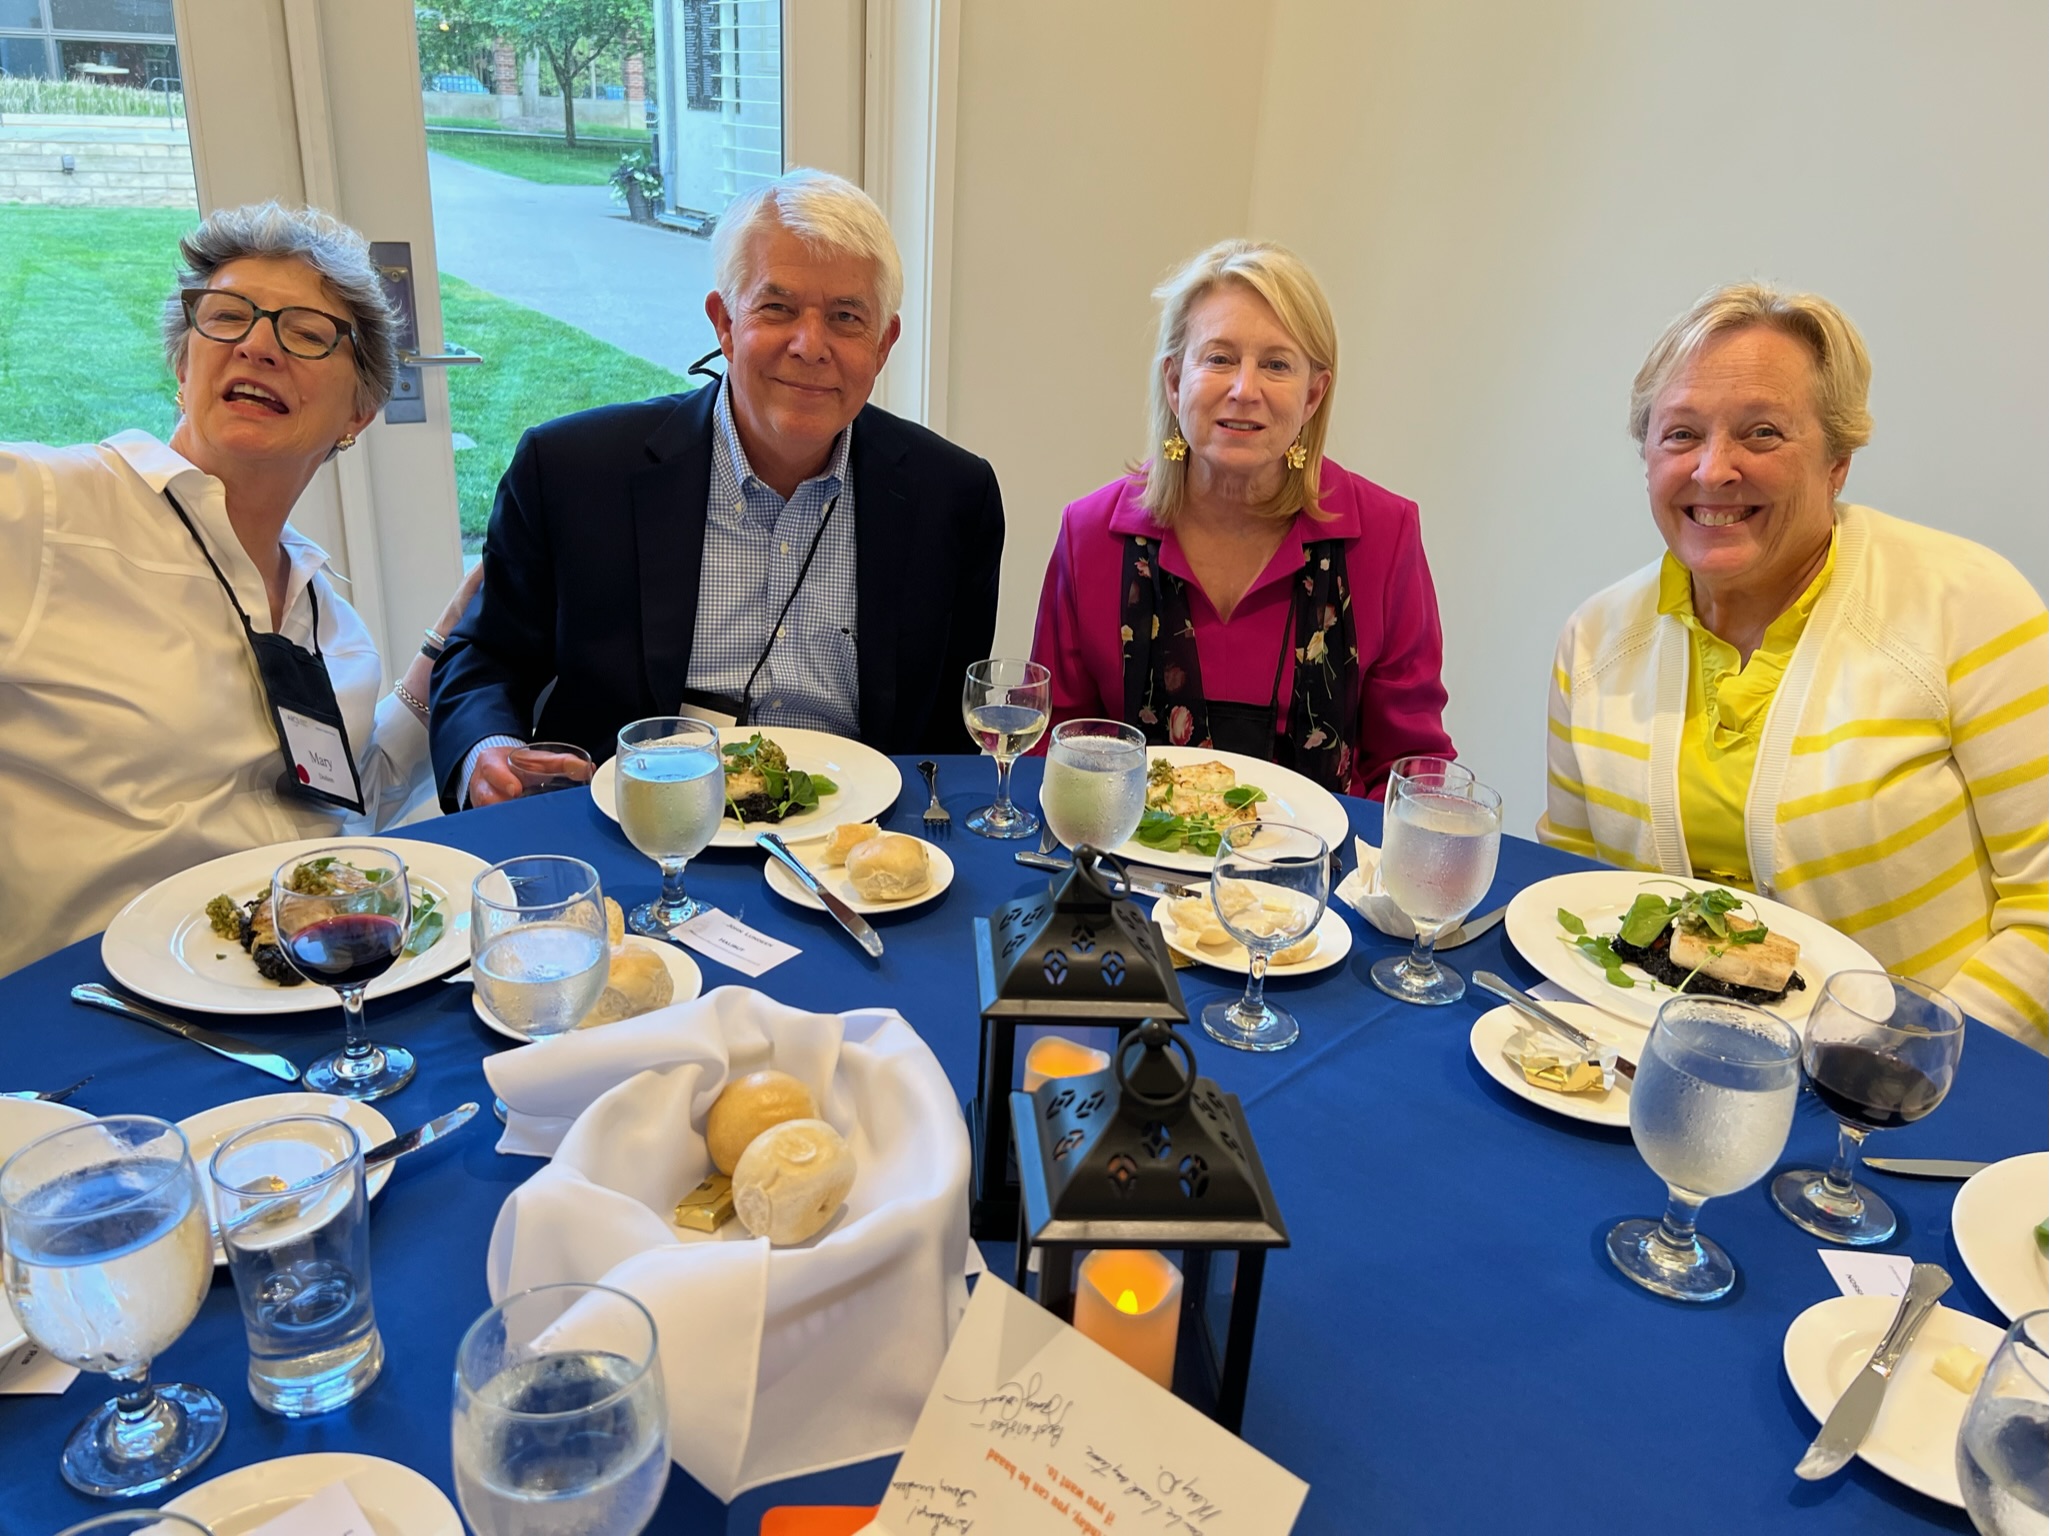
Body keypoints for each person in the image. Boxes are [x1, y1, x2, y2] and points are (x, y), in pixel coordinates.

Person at [1539, 282, 2046, 1048]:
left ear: (1837, 460)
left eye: (1762, 433)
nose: (1713, 470)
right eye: (1680, 434)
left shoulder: (1968, 606)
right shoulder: (1593, 640)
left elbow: (2040, 910)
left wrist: (1900, 1062)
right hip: (1647, 1068)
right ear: (1645, 455)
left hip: (1901, 1090)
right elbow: (1573, 888)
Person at [0, 201, 479, 977]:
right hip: (87, 1005)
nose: (257, 345)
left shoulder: (328, 621)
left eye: (307, 332)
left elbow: (343, 801)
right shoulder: (45, 512)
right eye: (227, 317)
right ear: (183, 367)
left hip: (293, 994)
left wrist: (448, 637)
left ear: (359, 412)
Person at [430, 168, 1006, 808]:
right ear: (725, 323)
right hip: (636, 829)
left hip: (857, 838)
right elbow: (484, 659)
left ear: (883, 344)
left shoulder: (953, 499)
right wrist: (487, 751)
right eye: (777, 308)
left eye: (846, 317)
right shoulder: (572, 471)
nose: (809, 345)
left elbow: (952, 738)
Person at [1028, 240, 1453, 798]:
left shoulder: (1385, 535)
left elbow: (1411, 768)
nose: (1244, 390)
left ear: (1312, 396)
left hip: (1325, 854)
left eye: (1276, 365)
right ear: (1174, 382)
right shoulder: (1089, 536)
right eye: (1219, 358)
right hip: (1127, 849)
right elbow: (1056, 746)